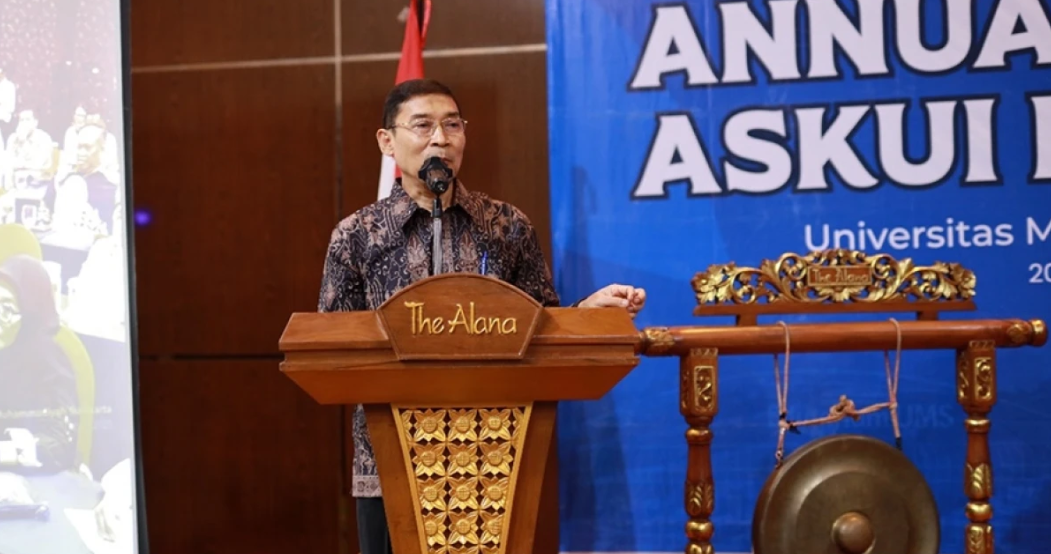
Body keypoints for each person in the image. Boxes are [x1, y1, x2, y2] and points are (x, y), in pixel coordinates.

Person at [316, 78, 646, 554]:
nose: (440, 139)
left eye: (452, 125)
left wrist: (585, 314)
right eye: (423, 125)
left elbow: (541, 326)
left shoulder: (505, 226)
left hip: (491, 455)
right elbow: (331, 346)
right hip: (390, 460)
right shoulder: (357, 236)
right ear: (387, 141)